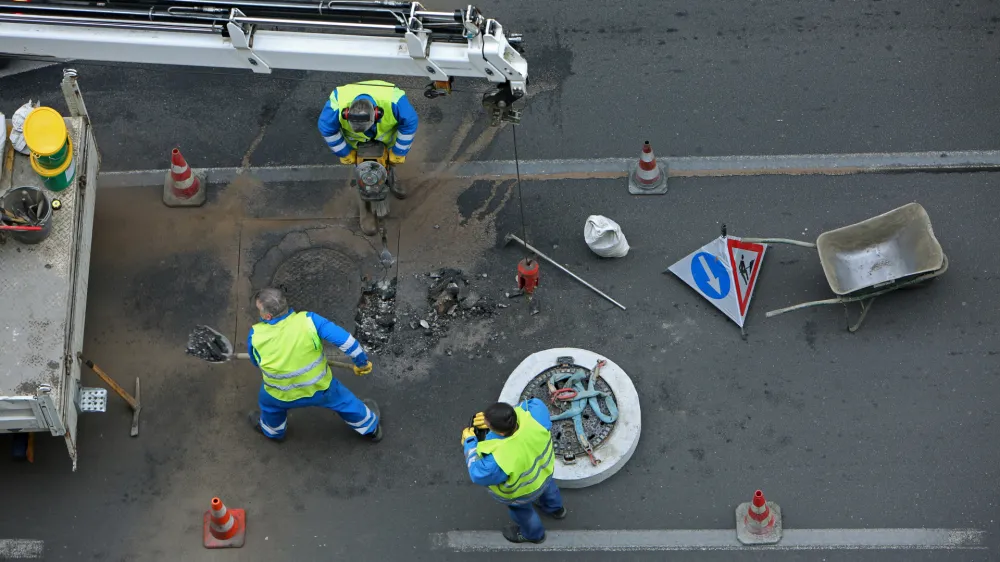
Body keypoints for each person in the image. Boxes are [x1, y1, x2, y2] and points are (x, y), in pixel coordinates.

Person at [246, 287, 382, 443]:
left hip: (279, 394)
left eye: (259, 311)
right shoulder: (309, 321)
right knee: (345, 401)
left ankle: (273, 433)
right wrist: (362, 364)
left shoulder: (255, 335)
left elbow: (256, 362)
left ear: (268, 316)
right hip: (320, 388)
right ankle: (371, 429)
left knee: (269, 406)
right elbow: (347, 342)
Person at [317, 79, 419, 236]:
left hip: (386, 141)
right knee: (363, 175)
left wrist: (398, 152)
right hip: (357, 147)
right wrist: (345, 153)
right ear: (346, 113)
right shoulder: (337, 103)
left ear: (377, 113)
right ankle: (365, 210)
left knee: (390, 162)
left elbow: (410, 123)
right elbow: (326, 128)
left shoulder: (395, 100)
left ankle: (393, 180)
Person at [461, 400, 567, 544]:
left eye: (488, 425)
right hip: (544, 474)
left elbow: (477, 473)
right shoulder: (535, 415)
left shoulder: (497, 459)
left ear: (501, 432)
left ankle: (534, 535)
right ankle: (556, 510)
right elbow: (528, 405)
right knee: (550, 490)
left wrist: (469, 443)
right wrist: (502, 416)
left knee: (523, 513)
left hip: (522, 493)